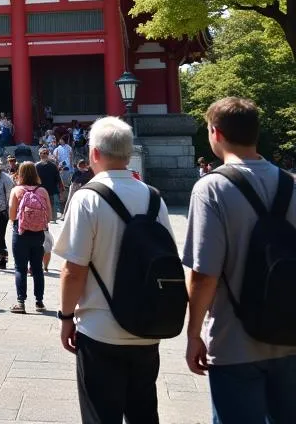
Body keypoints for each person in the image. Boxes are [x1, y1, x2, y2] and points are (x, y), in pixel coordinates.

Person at [183, 96, 296, 423]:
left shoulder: (212, 188)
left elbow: (204, 274)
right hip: (290, 334)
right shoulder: (291, 185)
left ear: (215, 133)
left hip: (234, 340)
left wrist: (193, 335)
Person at [54, 116, 172, 424]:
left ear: (93, 153)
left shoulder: (87, 198)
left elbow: (73, 269)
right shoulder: (154, 198)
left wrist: (66, 317)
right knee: (144, 413)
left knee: (100, 415)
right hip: (147, 326)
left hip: (100, 328)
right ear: (129, 153)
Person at [8, 160, 52, 313]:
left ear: (20, 173)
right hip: (38, 234)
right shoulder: (43, 191)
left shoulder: (17, 190)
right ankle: (39, 302)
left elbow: (12, 216)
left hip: (20, 233)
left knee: (20, 268)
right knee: (37, 269)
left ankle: (21, 302)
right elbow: (50, 216)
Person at [36, 147, 63, 223]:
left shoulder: (52, 166)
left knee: (49, 205)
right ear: (40, 155)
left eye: (46, 153)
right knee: (46, 205)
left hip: (47, 190)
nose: (45, 155)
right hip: (42, 190)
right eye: (43, 153)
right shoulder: (37, 166)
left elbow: (58, 179)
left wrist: (60, 190)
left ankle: (50, 219)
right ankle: (48, 219)